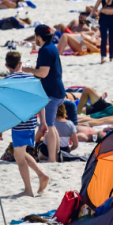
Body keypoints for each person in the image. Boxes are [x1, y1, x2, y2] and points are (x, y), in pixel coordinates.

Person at [0, 52, 49, 197]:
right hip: (32, 121)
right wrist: (43, 122)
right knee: (20, 153)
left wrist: (0, 127)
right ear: (20, 64)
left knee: (19, 159)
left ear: (6, 65)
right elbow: (41, 100)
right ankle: (41, 175)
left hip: (19, 123)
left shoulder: (7, 81)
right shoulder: (31, 78)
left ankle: (28, 190)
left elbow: (3, 106)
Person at [32, 25, 65, 162]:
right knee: (52, 125)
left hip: (51, 92)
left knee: (49, 127)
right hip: (58, 90)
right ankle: (57, 155)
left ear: (39, 37)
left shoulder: (45, 50)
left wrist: (30, 70)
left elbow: (43, 73)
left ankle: (53, 159)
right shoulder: (52, 47)